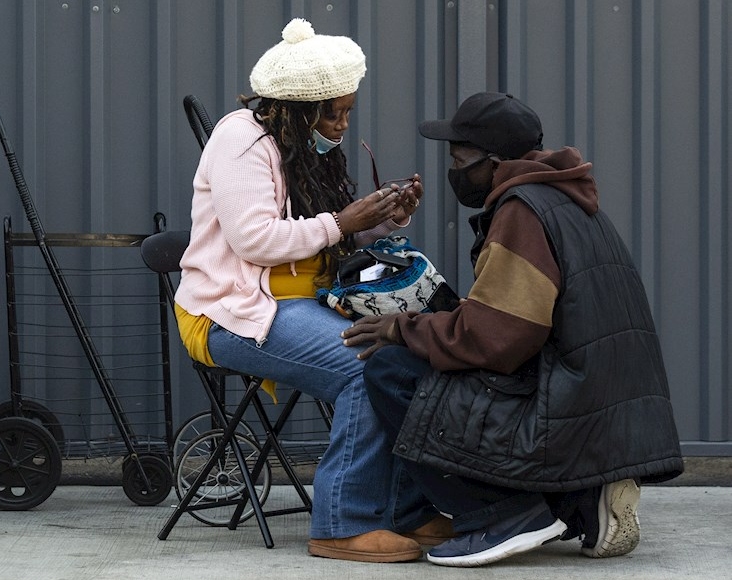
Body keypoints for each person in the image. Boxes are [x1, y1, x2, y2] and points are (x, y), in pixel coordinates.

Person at [344, 91, 684, 566]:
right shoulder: (565, 197)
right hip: (595, 404)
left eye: (460, 158)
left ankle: (503, 516)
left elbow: (497, 339)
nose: (454, 169)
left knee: (392, 369)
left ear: (495, 162)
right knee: (428, 355)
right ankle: (580, 501)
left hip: (564, 402)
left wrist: (404, 328)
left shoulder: (522, 212)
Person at [173, 18, 451, 563]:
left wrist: (381, 221)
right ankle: (342, 523)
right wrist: (344, 222)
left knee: (409, 353)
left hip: (299, 303)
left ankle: (405, 513)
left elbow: (323, 241)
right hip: (231, 312)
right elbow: (255, 240)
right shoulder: (241, 139)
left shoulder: (304, 150)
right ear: (297, 107)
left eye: (348, 109)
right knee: (368, 365)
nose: (343, 123)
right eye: (333, 111)